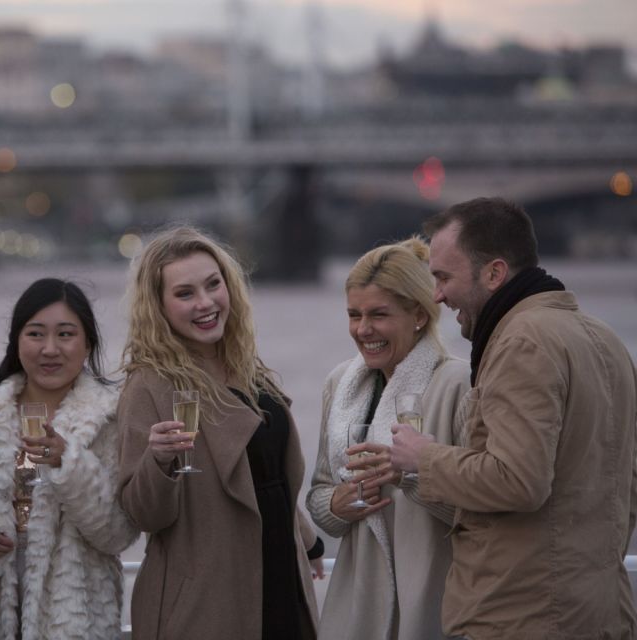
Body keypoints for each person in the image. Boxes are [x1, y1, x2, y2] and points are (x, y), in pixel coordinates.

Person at [390, 197, 637, 640]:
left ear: (495, 273)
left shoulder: (522, 342)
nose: (437, 295)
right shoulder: (604, 339)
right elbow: (627, 483)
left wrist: (423, 458)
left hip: (523, 616)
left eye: (445, 277)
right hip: (601, 610)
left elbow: (519, 480)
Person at [117, 225, 322, 640]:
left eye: (214, 285)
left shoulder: (250, 370)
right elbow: (142, 515)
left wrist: (309, 543)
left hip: (280, 580)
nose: (206, 303)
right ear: (158, 306)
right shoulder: (149, 385)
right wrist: (159, 461)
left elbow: (269, 479)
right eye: (185, 293)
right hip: (207, 605)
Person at [0, 278, 139, 640]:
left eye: (65, 334)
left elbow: (118, 532)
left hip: (75, 622)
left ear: (88, 344)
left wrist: (69, 463)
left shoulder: (111, 420)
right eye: (35, 334)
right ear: (17, 341)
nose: (50, 349)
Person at [306, 237, 470, 640]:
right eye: (354, 314)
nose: (363, 330)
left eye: (379, 314)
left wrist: (409, 477)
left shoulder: (459, 384)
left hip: (432, 592)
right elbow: (319, 494)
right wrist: (336, 506)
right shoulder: (338, 383)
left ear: (418, 314)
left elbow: (481, 509)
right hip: (357, 598)